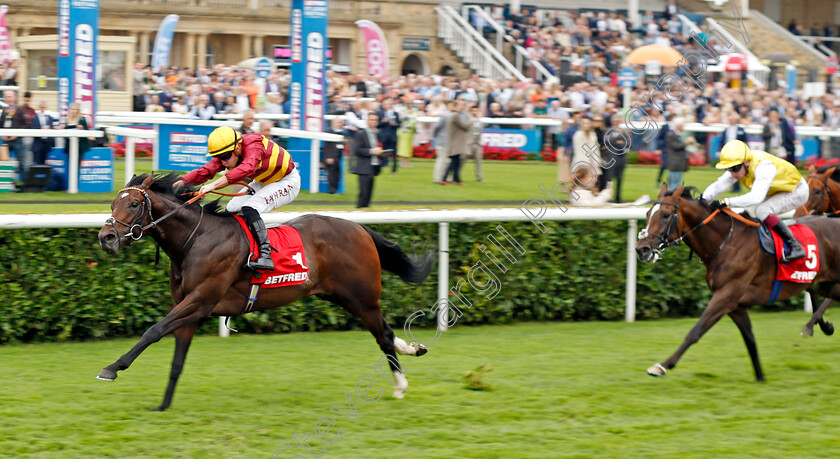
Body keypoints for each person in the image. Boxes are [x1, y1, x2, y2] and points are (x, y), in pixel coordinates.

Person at [174, 126, 301, 271]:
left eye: (225, 157)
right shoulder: (228, 153)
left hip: (287, 182)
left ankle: (266, 256)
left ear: (238, 148)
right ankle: (239, 250)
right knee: (231, 209)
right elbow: (207, 170)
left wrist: (213, 185)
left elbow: (247, 168)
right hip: (263, 181)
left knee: (250, 207)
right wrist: (181, 181)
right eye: (219, 157)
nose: (223, 162)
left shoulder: (254, 144)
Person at [702, 140, 808, 261]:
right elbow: (719, 185)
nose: (732, 173)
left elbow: (756, 197)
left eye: (735, 168)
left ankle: (795, 246)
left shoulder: (764, 166)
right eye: (728, 169)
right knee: (749, 212)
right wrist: (704, 199)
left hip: (796, 190)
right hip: (776, 190)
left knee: (763, 211)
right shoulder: (741, 166)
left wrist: (725, 202)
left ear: (747, 162)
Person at [350, 112, 384, 208]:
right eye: (372, 120)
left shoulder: (377, 133)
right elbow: (357, 150)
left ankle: (365, 211)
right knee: (364, 194)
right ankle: (360, 212)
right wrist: (371, 151)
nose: (374, 122)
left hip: (373, 167)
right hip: (364, 167)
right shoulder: (360, 134)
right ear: (367, 121)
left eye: (376, 120)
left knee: (369, 194)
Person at [443, 99, 471, 185]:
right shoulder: (456, 115)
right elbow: (465, 126)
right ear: (456, 106)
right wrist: (471, 121)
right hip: (456, 142)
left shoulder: (454, 115)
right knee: (454, 162)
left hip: (455, 142)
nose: (462, 107)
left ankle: (456, 179)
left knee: (456, 162)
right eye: (461, 105)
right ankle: (445, 178)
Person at [0, 90, 28, 175]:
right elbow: (1, 124)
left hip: (17, 140)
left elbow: (24, 125)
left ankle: (24, 183)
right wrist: (2, 135)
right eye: (7, 97)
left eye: (10, 96)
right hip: (6, 140)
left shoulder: (20, 110)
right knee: (4, 161)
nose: (8, 99)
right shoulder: (4, 111)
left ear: (15, 98)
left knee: (21, 162)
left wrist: (17, 134)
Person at [665, 118, 695, 192]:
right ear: (678, 126)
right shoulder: (671, 135)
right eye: (682, 125)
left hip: (677, 162)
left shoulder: (676, 135)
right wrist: (686, 142)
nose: (684, 127)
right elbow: (675, 146)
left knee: (675, 182)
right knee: (674, 182)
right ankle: (671, 199)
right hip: (675, 162)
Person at [376, 97, 400, 173]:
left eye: (387, 104)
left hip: (393, 136)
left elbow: (399, 125)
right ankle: (382, 165)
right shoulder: (380, 113)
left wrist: (395, 124)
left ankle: (394, 169)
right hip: (384, 135)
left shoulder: (395, 114)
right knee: (383, 152)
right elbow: (378, 125)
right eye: (385, 104)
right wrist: (383, 121)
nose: (386, 106)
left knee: (394, 153)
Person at [322, 116, 344, 194]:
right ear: (333, 123)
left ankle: (335, 190)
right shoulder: (329, 132)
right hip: (331, 157)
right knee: (332, 174)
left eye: (341, 122)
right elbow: (327, 146)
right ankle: (332, 191)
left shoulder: (341, 132)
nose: (340, 124)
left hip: (337, 156)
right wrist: (328, 157)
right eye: (338, 122)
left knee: (337, 174)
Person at [30, 100, 55, 165]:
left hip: (46, 144)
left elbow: (52, 129)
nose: (42, 109)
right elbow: (33, 130)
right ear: (38, 107)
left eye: (44, 107)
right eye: (41, 107)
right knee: (36, 164)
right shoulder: (34, 118)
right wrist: (41, 129)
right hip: (38, 144)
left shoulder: (50, 118)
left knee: (45, 164)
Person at [467, 104, 484, 182]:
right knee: (461, 160)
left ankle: (479, 177)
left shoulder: (479, 120)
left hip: (477, 143)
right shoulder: (467, 119)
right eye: (473, 110)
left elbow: (480, 131)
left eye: (476, 110)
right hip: (469, 143)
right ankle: (454, 177)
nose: (475, 112)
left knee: (479, 161)